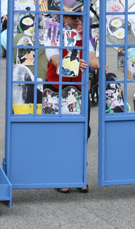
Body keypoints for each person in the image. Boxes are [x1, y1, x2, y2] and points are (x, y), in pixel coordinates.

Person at [45, 12, 100, 193]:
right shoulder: (53, 33)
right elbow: (55, 60)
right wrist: (76, 63)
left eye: (80, 17)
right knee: (59, 132)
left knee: (83, 131)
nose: (77, 21)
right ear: (62, 18)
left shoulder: (85, 36)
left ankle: (78, 174)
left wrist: (98, 64)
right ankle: (59, 175)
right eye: (72, 17)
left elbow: (92, 57)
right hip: (56, 88)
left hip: (79, 88)